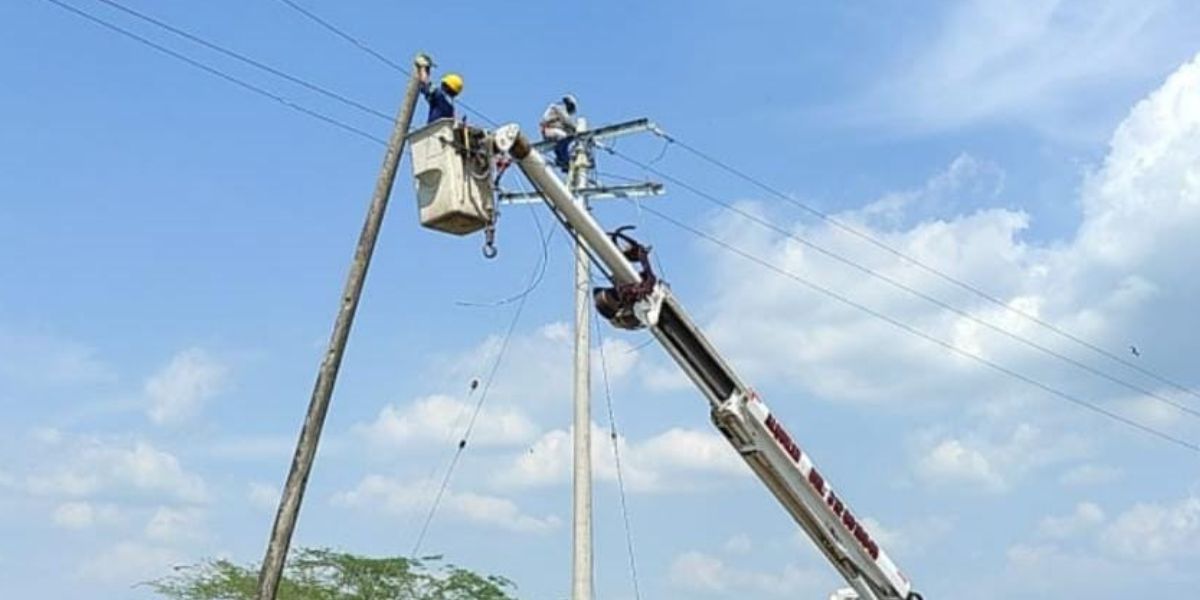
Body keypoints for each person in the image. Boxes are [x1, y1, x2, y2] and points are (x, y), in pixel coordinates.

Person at [416, 55, 462, 124]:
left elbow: (425, 83)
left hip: (431, 131)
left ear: (446, 86)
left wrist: (422, 67)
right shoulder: (450, 108)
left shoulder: (438, 95)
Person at [539, 94, 578, 172]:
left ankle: (563, 160)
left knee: (567, 139)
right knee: (563, 137)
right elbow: (566, 120)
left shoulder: (559, 110)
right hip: (548, 130)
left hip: (553, 130)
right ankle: (562, 159)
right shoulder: (558, 107)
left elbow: (566, 125)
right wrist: (576, 129)